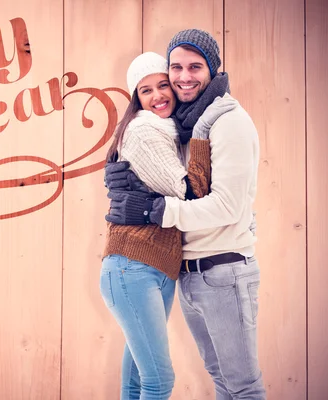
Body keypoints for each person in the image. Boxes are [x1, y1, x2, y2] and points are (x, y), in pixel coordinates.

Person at [105, 29, 266, 399]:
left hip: (223, 271)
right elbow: (174, 176)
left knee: (241, 386)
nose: (183, 76)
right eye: (175, 67)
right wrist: (123, 176)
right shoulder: (182, 125)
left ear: (212, 69)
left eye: (195, 66)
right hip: (189, 274)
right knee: (222, 381)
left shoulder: (228, 121)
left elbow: (226, 205)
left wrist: (152, 209)